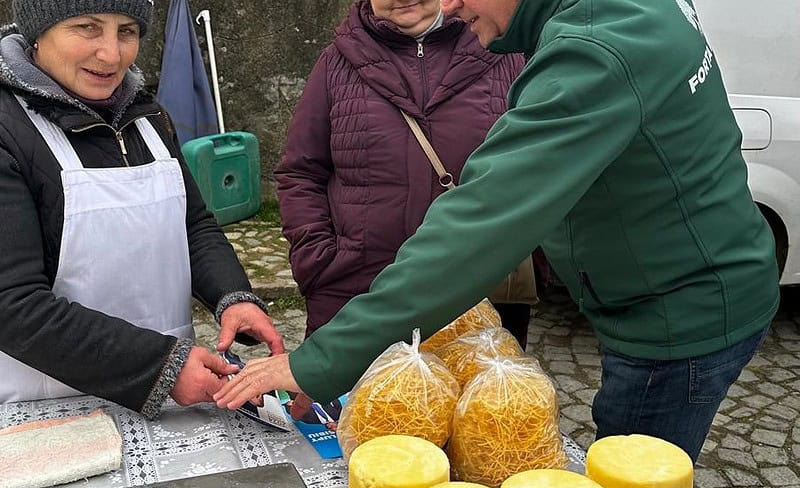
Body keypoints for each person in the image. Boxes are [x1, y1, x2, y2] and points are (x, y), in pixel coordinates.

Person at [215, 0, 780, 463]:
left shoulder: (593, 48)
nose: (453, 5)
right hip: (677, 288)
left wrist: (319, 362)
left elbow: (482, 222)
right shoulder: (604, 19)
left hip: (676, 319)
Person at [0, 0, 284, 418]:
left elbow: (193, 225)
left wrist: (232, 296)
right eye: (87, 27)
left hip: (169, 397)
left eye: (127, 31)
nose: (112, 54)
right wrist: (159, 367)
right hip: (49, 408)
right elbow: (13, 304)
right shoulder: (10, 130)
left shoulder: (148, 118)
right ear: (38, 32)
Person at [275, 0, 532, 345]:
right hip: (357, 296)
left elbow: (539, 163)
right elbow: (301, 173)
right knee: (362, 400)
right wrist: (317, 261)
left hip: (479, 294)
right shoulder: (336, 63)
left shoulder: (503, 55)